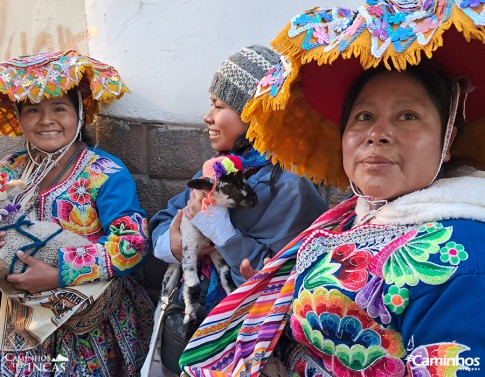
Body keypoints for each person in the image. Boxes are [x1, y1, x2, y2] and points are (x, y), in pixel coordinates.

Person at [179, 2, 485, 377]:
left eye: (408, 116)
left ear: (447, 138)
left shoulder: (465, 260)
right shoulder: (352, 217)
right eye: (364, 116)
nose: (377, 134)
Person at [146, 45, 328, 375]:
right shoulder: (222, 169)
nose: (208, 116)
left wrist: (224, 234)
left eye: (219, 106)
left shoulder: (292, 187)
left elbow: (290, 278)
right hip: (198, 324)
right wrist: (174, 243)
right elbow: (163, 217)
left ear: (254, 115)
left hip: (253, 344)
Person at [0, 50, 154, 376]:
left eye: (59, 108)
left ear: (80, 113)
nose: (46, 120)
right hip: (20, 314)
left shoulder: (104, 173)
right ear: (19, 116)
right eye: (32, 110)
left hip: (88, 315)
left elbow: (132, 245)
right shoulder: (9, 171)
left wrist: (58, 275)